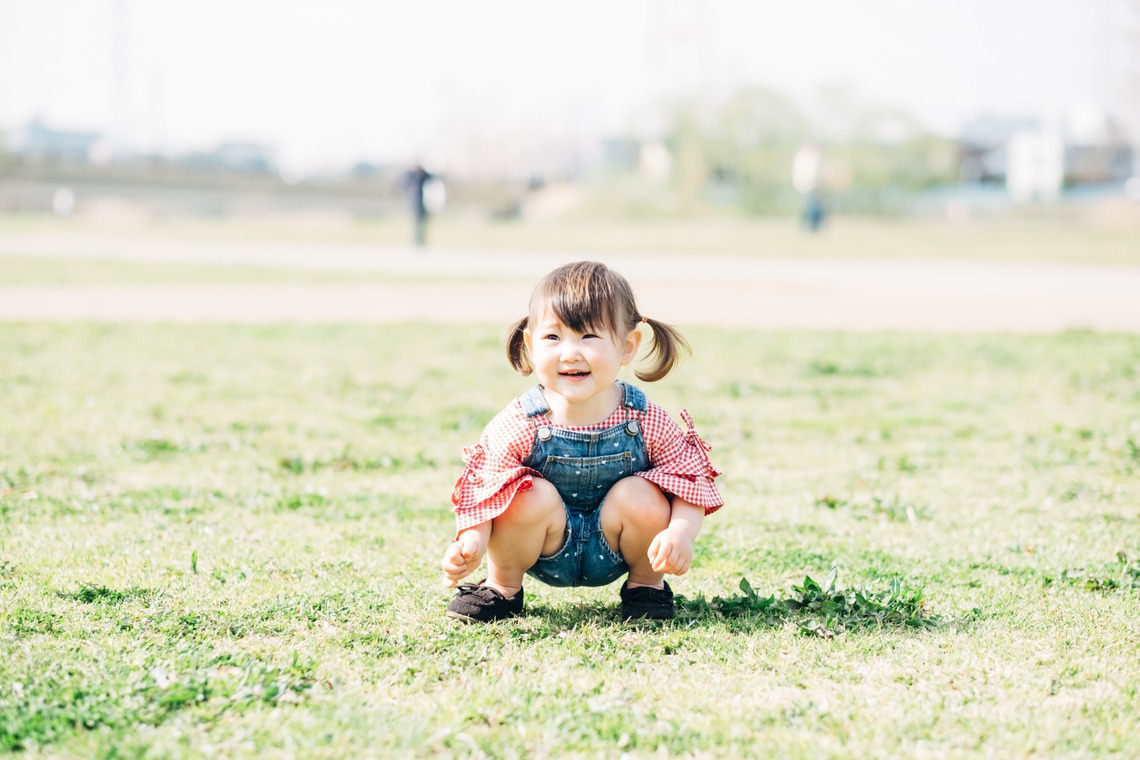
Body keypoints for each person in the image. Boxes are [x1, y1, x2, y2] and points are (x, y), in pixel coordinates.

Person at [440, 261, 724, 622]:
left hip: (619, 543)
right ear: (530, 343)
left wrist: (681, 533)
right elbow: (485, 492)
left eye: (588, 336)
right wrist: (472, 541)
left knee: (640, 493)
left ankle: (646, 588)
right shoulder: (519, 422)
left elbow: (688, 482)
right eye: (553, 337)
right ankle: (501, 587)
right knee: (524, 495)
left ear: (627, 345)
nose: (570, 353)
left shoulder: (644, 417)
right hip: (543, 545)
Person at [401, 162, 434, 247]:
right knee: (416, 223)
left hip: (425, 202)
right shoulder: (412, 176)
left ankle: (421, 240)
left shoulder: (423, 175)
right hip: (415, 202)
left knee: (423, 223)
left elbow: (431, 177)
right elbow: (405, 183)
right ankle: (416, 240)